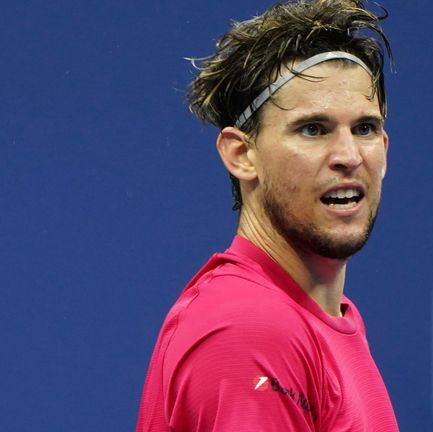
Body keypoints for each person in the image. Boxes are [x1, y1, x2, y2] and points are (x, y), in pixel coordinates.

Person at [136, 0, 398, 430]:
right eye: (313, 129)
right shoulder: (250, 330)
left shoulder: (325, 318)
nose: (349, 156)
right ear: (242, 154)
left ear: (384, 149)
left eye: (365, 128)